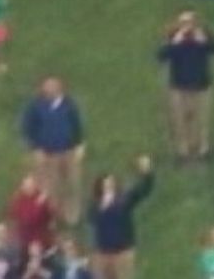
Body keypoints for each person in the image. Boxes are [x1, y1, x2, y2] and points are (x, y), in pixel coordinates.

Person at [157, 10, 214, 163]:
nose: (187, 26)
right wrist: (174, 43)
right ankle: (183, 150)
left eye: (190, 22)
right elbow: (161, 56)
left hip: (202, 86)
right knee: (181, 119)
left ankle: (203, 148)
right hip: (179, 87)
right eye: (183, 22)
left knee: (201, 118)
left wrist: (205, 42)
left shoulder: (202, 36)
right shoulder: (174, 38)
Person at [22, 77, 86, 226]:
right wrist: (35, 149)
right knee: (51, 186)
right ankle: (53, 216)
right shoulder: (36, 106)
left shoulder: (69, 105)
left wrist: (80, 145)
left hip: (69, 151)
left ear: (60, 89)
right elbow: (28, 128)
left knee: (73, 183)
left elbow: (77, 125)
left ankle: (72, 214)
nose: (48, 91)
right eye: (46, 88)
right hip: (48, 154)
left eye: (52, 88)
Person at [88, 155, 154, 279]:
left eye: (111, 184)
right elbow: (91, 220)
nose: (109, 187)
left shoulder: (125, 199)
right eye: (105, 185)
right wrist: (103, 206)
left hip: (123, 252)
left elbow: (144, 190)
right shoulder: (95, 205)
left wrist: (147, 172)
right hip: (103, 253)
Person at [8, 174, 57, 252]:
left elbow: (50, 216)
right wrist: (38, 204)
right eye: (27, 185)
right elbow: (28, 220)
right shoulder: (19, 201)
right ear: (22, 187)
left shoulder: (40, 197)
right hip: (25, 240)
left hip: (42, 239)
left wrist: (47, 203)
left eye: (32, 185)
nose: (30, 187)